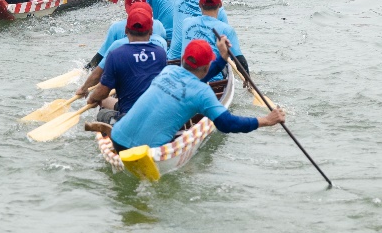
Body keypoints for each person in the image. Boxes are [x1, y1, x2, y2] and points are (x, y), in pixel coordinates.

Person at [101, 39, 284, 152]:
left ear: (183, 60)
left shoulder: (169, 71)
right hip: (145, 153)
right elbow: (227, 124)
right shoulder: (202, 93)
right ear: (205, 67)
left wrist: (222, 58)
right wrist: (266, 120)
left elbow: (200, 74)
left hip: (117, 139)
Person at [83, 5, 169, 125]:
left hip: (129, 117)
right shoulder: (161, 53)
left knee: (102, 110)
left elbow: (102, 91)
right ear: (150, 31)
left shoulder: (116, 55)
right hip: (155, 114)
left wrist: (92, 99)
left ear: (126, 30)